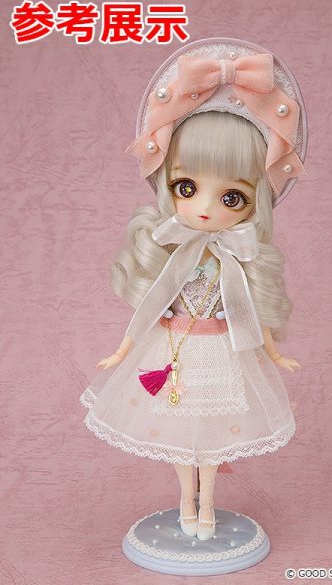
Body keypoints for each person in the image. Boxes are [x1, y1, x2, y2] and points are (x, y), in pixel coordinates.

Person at [80, 37, 308, 541]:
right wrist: (122, 351)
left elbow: (247, 309)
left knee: (213, 442)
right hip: (173, 352)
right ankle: (187, 501)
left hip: (224, 353)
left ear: (257, 201)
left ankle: (208, 507)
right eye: (187, 187)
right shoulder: (174, 251)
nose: (204, 208)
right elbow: (153, 304)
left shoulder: (238, 256)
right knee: (182, 439)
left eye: (231, 197)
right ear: (168, 185)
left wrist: (274, 353)